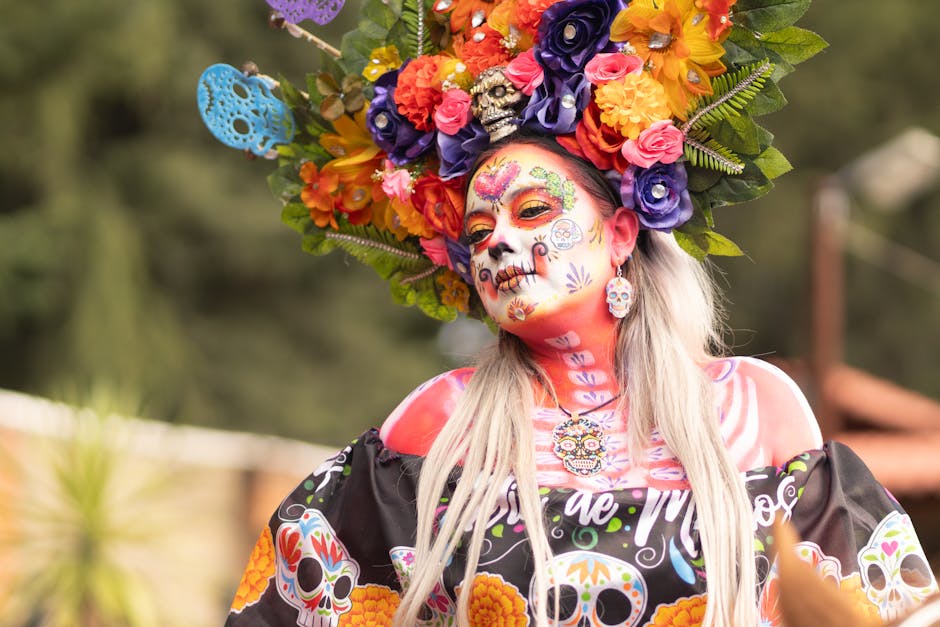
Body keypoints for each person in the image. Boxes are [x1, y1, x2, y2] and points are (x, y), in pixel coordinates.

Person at [199, 0, 939, 624]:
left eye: (532, 211)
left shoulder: (752, 408)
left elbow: (878, 610)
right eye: (478, 233)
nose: (499, 243)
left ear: (621, 234)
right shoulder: (436, 424)